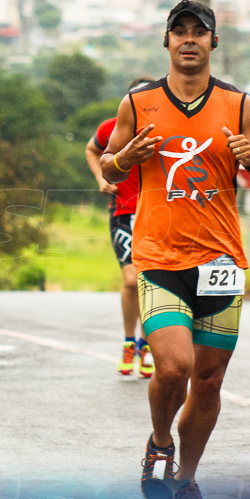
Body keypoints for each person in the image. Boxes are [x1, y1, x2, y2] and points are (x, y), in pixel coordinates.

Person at [100, 0, 250, 499]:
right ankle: (160, 441)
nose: (188, 39)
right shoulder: (137, 104)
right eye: (178, 31)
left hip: (221, 259)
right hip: (158, 256)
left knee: (208, 381)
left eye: (198, 32)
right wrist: (123, 160)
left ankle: (186, 479)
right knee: (175, 365)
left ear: (213, 43)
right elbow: (111, 170)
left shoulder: (239, 104)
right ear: (166, 42)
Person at [85, 77, 155, 378]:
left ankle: (148, 345)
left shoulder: (165, 128)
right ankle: (130, 342)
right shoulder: (112, 127)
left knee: (152, 280)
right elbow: (92, 150)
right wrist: (102, 180)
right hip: (124, 211)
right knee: (131, 280)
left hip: (159, 214)